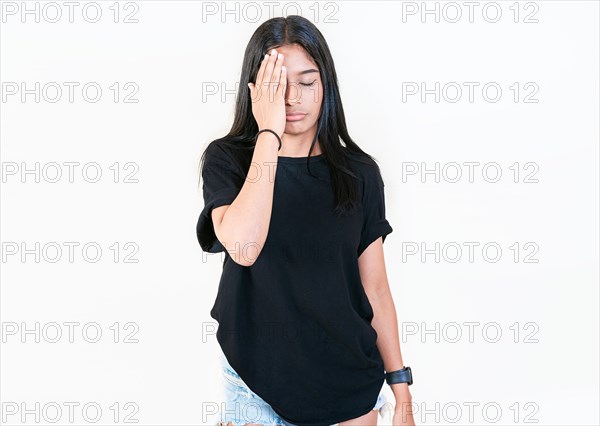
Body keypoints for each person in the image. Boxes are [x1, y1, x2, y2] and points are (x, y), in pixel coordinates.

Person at [196, 15, 415, 426]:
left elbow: (376, 289)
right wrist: (269, 135)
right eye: (278, 85)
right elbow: (243, 248)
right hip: (253, 384)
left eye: (307, 82)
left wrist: (401, 390)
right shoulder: (228, 160)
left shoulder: (359, 172)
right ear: (256, 90)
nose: (292, 98)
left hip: (348, 384)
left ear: (326, 85)